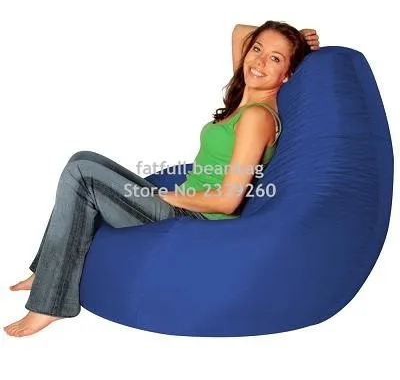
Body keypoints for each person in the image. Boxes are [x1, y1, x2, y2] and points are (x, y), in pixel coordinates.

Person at [4, 20, 320, 337]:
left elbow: (228, 200)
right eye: (257, 49)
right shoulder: (247, 95)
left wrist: (165, 196)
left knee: (82, 171)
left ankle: (50, 302)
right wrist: (295, 37)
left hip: (196, 217)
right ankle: (46, 272)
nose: (259, 62)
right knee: (81, 161)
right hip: (184, 204)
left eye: (275, 59)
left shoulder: (256, 116)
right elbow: (240, 31)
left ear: (287, 74)